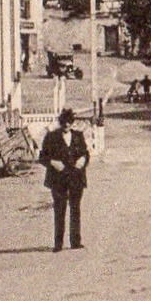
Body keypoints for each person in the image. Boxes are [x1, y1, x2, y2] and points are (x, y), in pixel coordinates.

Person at [39, 107, 89, 251]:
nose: (66, 125)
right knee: (59, 210)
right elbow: (42, 157)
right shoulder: (51, 137)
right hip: (58, 179)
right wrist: (53, 163)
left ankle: (75, 241)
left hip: (75, 178)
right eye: (64, 122)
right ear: (60, 123)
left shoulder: (78, 136)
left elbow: (85, 153)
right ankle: (58, 244)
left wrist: (83, 160)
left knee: (75, 209)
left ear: (72, 122)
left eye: (69, 122)